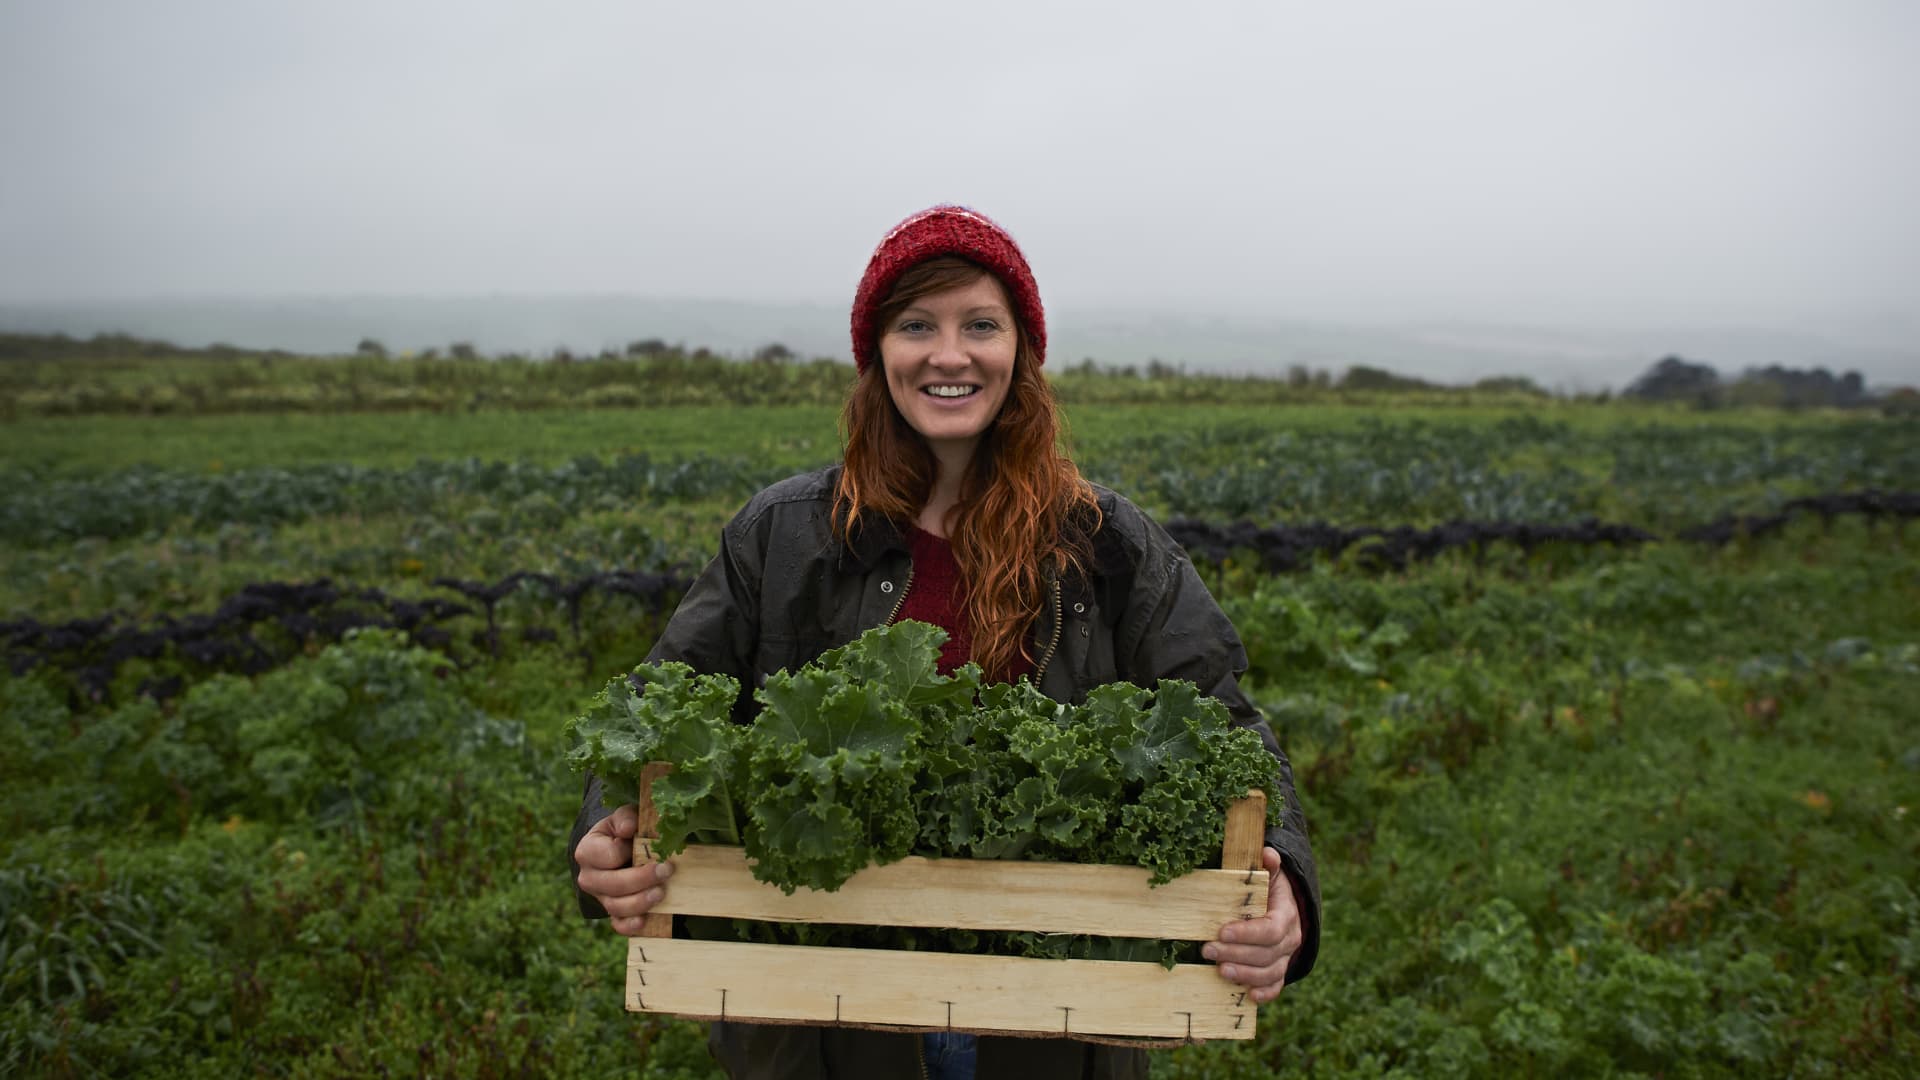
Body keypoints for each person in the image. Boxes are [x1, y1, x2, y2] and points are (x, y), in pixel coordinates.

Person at [571, 205, 1321, 1080]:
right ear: (877, 352)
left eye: (981, 326)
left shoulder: (1109, 543)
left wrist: (1291, 890)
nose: (949, 354)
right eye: (917, 324)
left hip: (1049, 1025)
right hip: (827, 1019)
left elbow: (1228, 726)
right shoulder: (780, 538)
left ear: (1021, 353)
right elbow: (655, 710)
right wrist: (606, 835)